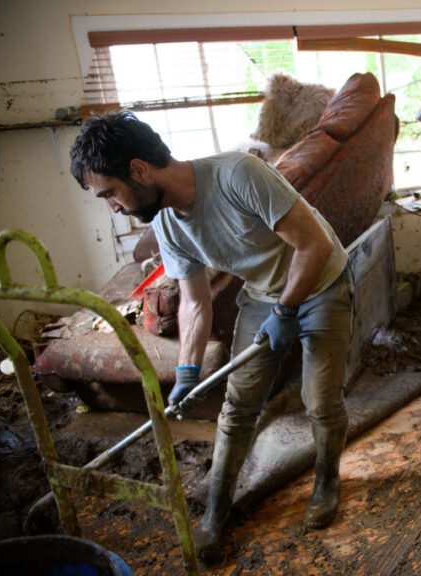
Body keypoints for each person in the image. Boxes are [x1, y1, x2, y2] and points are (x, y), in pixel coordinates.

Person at [69, 110, 353, 560]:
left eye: (110, 193)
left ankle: (327, 479)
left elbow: (314, 245)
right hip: (265, 295)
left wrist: (287, 310)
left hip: (321, 282)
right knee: (238, 404)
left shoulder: (239, 175)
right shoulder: (165, 222)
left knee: (320, 399)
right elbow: (196, 302)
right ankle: (216, 511)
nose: (114, 207)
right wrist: (187, 369)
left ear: (139, 170)